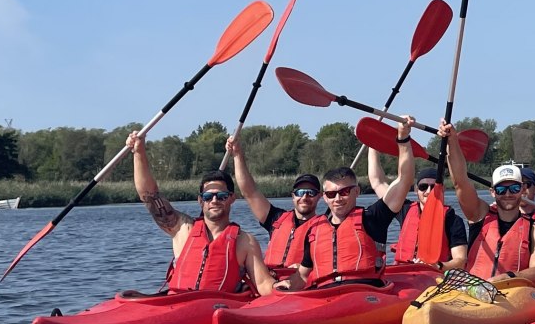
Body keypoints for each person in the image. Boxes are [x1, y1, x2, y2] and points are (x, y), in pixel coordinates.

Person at [127, 131, 288, 295]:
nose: (215, 200)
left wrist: (282, 288)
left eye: (222, 196)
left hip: (217, 307)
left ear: (232, 198)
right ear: (200, 200)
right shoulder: (183, 228)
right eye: (208, 196)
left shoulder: (245, 242)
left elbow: (262, 283)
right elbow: (149, 195)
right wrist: (139, 152)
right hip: (176, 305)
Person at [294, 118, 412, 286]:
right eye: (331, 193)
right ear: (324, 196)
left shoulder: (373, 218)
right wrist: (285, 286)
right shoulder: (314, 230)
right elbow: (302, 276)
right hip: (325, 294)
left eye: (344, 192)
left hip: (365, 292)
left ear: (356, 192)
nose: (337, 198)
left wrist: (403, 139)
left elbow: (404, 180)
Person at [438, 123, 535, 284]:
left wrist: (507, 277)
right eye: (501, 190)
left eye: (514, 188)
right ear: (492, 192)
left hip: (511, 293)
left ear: (522, 189)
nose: (508, 194)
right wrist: (452, 142)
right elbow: (460, 182)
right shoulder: (479, 214)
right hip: (473, 292)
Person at [378, 119, 470, 270]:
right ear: (416, 190)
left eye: (433, 187)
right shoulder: (404, 209)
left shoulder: (452, 219)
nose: (428, 191)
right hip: (403, 274)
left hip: (433, 277)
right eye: (423, 186)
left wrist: (437, 266)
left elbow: (460, 260)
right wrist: (372, 146)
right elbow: (378, 182)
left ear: (441, 190)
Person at [226, 135, 324, 274]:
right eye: (300, 192)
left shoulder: (326, 226)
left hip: (300, 282)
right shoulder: (276, 218)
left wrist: (306, 268)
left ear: (319, 196)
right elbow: (249, 192)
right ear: (293, 196)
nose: (304, 197)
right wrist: (237, 154)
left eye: (311, 192)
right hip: (271, 281)